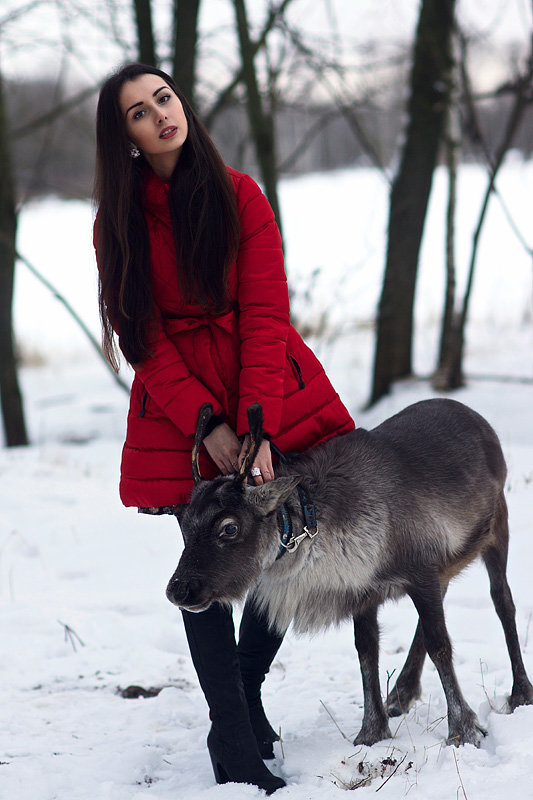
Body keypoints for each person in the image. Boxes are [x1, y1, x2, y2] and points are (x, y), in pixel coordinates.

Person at [94, 62, 354, 793]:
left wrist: (256, 426)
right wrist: (204, 424)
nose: (159, 116)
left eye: (164, 99)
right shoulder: (115, 223)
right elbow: (140, 336)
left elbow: (266, 314)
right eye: (139, 113)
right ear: (128, 139)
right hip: (178, 410)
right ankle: (234, 741)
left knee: (275, 554)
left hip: (267, 388)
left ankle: (241, 698)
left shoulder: (240, 195)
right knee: (205, 565)